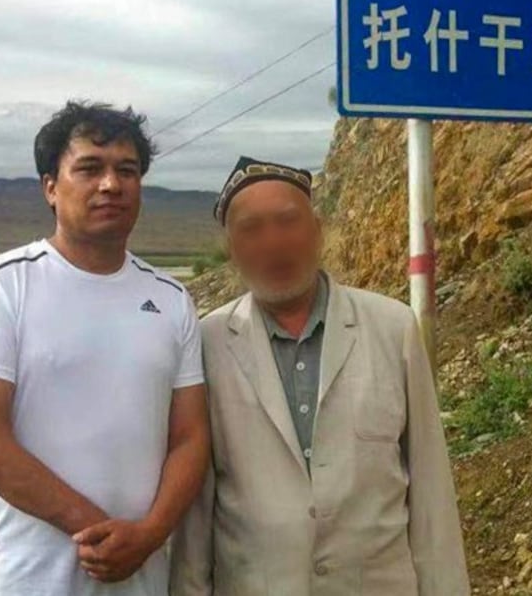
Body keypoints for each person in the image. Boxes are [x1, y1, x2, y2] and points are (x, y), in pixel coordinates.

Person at [0, 101, 210, 596]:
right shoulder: (3, 285)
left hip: (141, 578)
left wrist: (147, 537)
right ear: (50, 188)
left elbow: (190, 437)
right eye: (89, 168)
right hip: (26, 578)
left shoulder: (171, 300)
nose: (111, 184)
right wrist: (102, 534)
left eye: (126, 171)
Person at [171, 156, 470, 595]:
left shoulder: (392, 327)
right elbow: (195, 509)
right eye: (252, 229)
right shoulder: (208, 342)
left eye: (288, 221)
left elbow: (430, 487)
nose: (273, 242)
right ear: (232, 249)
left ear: (317, 230)